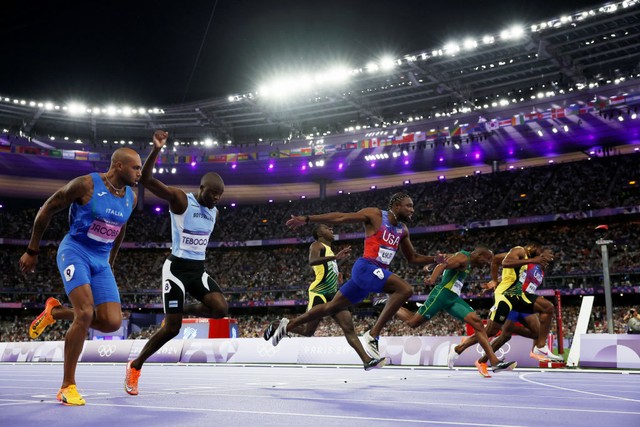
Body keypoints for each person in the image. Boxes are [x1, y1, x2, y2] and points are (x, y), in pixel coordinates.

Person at [19, 147, 142, 406]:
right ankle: (67, 386)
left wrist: (111, 260)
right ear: (119, 165)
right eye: (136, 168)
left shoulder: (131, 196)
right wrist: (32, 249)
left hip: (101, 260)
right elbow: (48, 208)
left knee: (111, 323)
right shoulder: (85, 184)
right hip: (75, 251)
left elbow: (120, 228)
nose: (139, 173)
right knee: (85, 313)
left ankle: (55, 312)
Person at [264, 192, 446, 359]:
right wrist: (307, 218)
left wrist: (434, 259)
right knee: (405, 289)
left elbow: (413, 258)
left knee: (330, 307)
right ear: (396, 206)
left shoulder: (403, 230)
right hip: (366, 268)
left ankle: (286, 326)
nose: (412, 209)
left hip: (371, 277)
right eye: (408, 205)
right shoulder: (375, 215)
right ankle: (373, 335)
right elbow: (341, 216)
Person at [124, 130, 228, 396]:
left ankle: (179, 309)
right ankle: (135, 366)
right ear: (201, 188)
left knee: (219, 308)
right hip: (176, 270)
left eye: (220, 195)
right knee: (172, 328)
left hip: (198, 270)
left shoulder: (214, 211)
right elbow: (145, 179)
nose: (216, 198)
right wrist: (157, 149)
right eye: (213, 193)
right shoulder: (182, 200)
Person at [265, 224, 387, 370]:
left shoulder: (329, 250)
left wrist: (337, 274)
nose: (331, 229)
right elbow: (312, 261)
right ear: (319, 233)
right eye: (327, 228)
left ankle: (367, 361)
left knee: (348, 328)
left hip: (333, 293)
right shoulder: (316, 245)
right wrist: (335, 257)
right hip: (319, 292)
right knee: (308, 331)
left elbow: (327, 268)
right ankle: (278, 325)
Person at [393, 247, 517, 374]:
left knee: (477, 323)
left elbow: (445, 257)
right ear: (479, 255)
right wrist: (432, 278)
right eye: (488, 259)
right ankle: (390, 303)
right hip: (441, 294)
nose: (488, 263)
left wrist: (431, 264)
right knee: (413, 322)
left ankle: (494, 362)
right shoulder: (463, 257)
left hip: (453, 298)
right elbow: (443, 264)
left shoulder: (465, 258)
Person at [449, 241, 558, 377]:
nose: (549, 260)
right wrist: (495, 281)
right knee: (493, 332)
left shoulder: (540, 271)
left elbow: (520, 278)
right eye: (547, 256)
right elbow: (502, 264)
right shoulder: (526, 259)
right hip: (511, 299)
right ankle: (465, 351)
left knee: (519, 333)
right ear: (539, 253)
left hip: (521, 302)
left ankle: (481, 360)